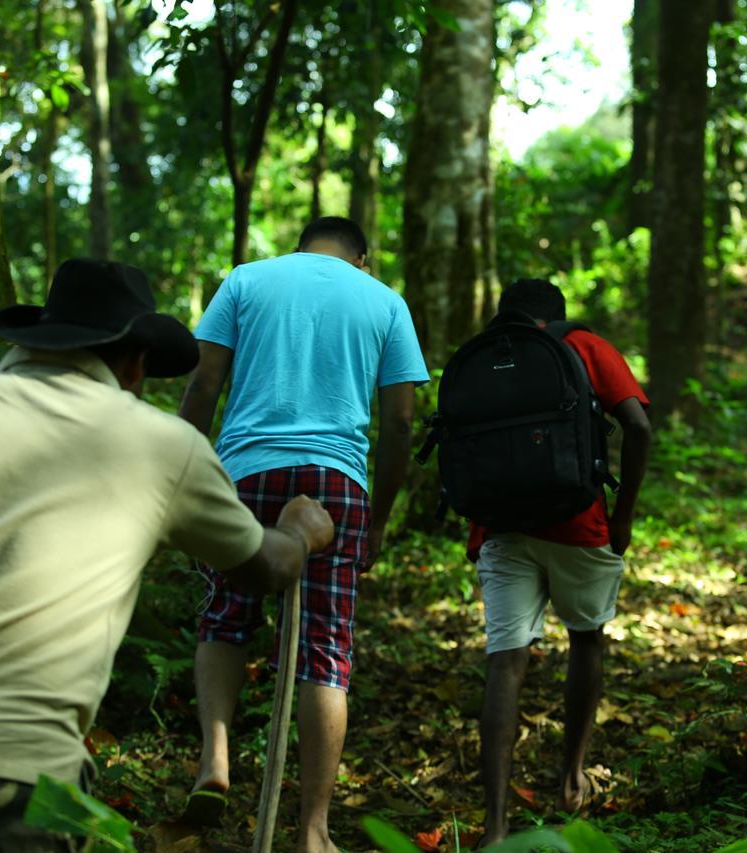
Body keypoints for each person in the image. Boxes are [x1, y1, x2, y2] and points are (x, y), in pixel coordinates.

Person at [0, 259, 335, 851]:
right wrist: (300, 531)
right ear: (134, 361)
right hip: (15, 769)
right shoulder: (163, 444)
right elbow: (262, 568)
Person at [177, 216, 428, 851]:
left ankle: (215, 760)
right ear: (362, 259)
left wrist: (183, 473)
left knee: (225, 617)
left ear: (300, 249)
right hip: (337, 481)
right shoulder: (384, 300)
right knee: (326, 647)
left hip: (246, 472)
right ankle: (313, 830)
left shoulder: (247, 279)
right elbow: (399, 425)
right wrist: (379, 517)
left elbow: (204, 381)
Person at [468, 279, 651, 847]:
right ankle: (571, 775)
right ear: (558, 315)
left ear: (507, 315)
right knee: (586, 638)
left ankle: (495, 827)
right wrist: (621, 517)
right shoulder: (586, 347)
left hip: (500, 526)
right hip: (579, 523)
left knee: (505, 662)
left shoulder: (484, 357)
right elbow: (639, 426)